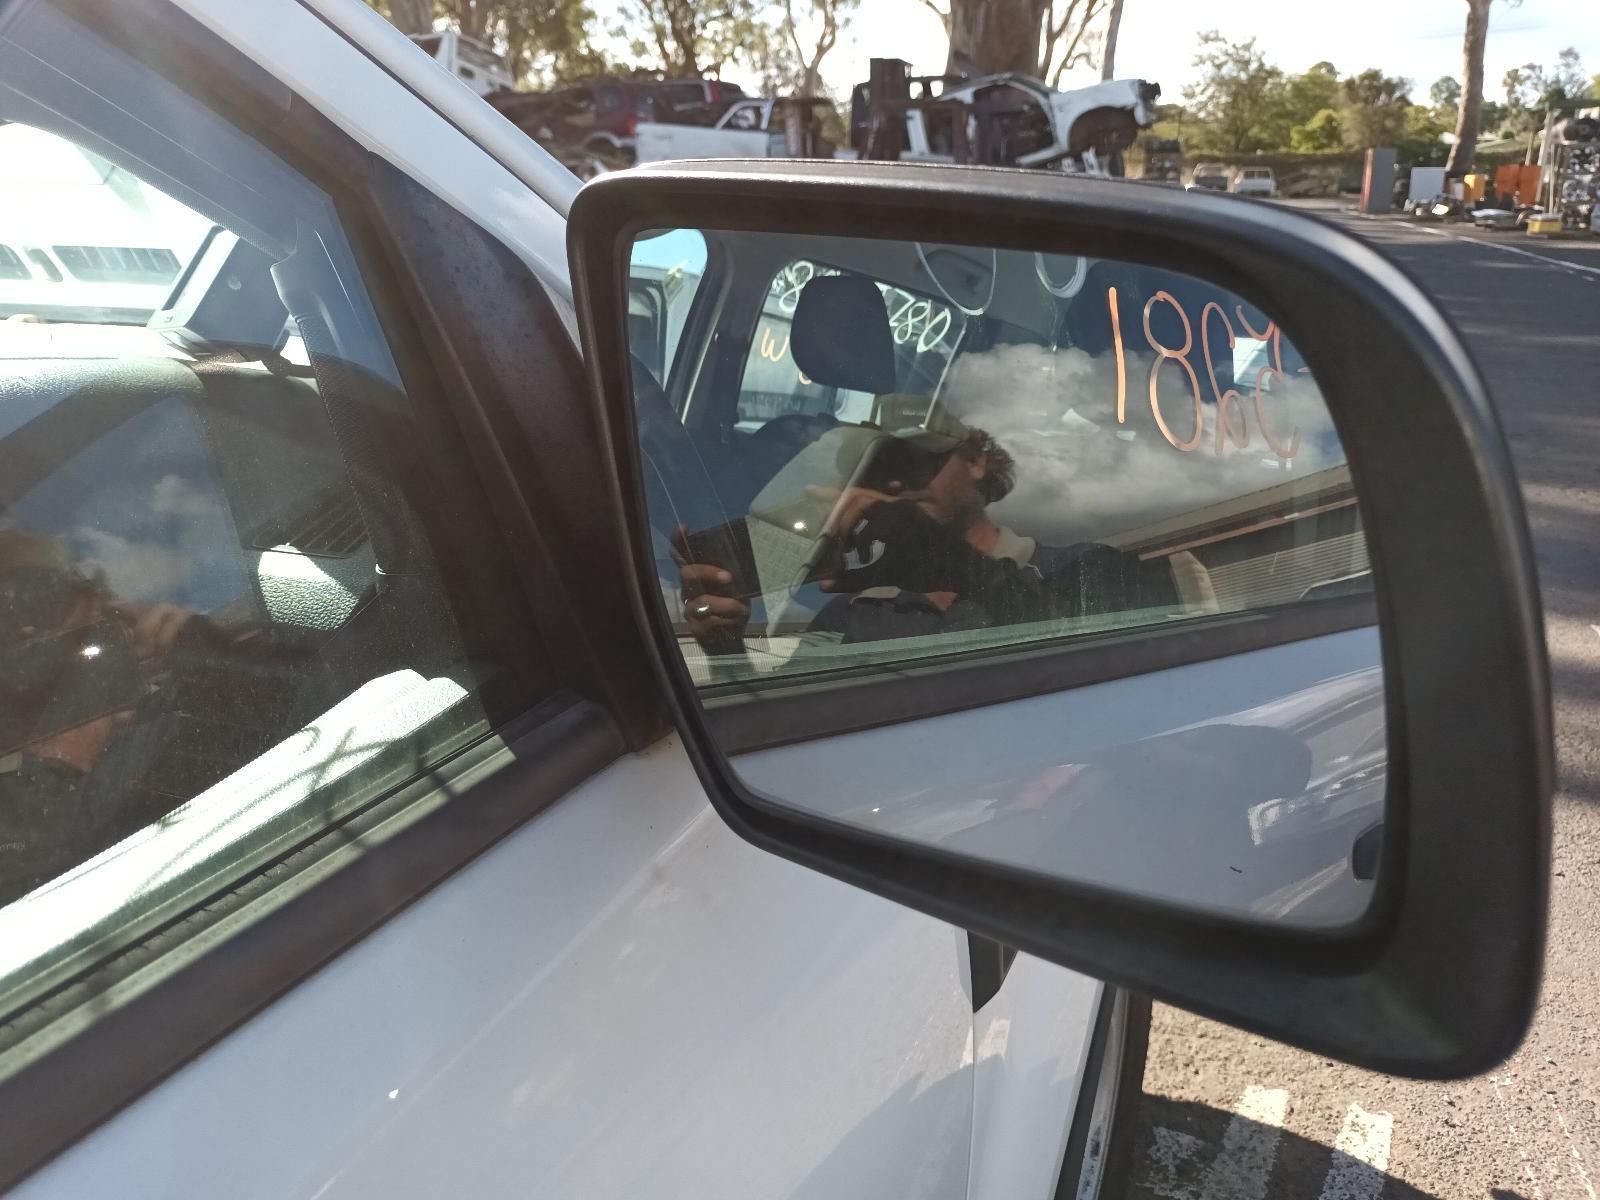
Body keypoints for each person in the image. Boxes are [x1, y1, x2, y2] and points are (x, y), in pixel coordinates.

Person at [677, 423, 1178, 656]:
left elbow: (1111, 656)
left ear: (977, 459)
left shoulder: (1082, 571)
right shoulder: (854, 617)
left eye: (917, 460)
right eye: (878, 470)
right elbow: (778, 739)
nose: (896, 483)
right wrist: (725, 650)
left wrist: (941, 555)